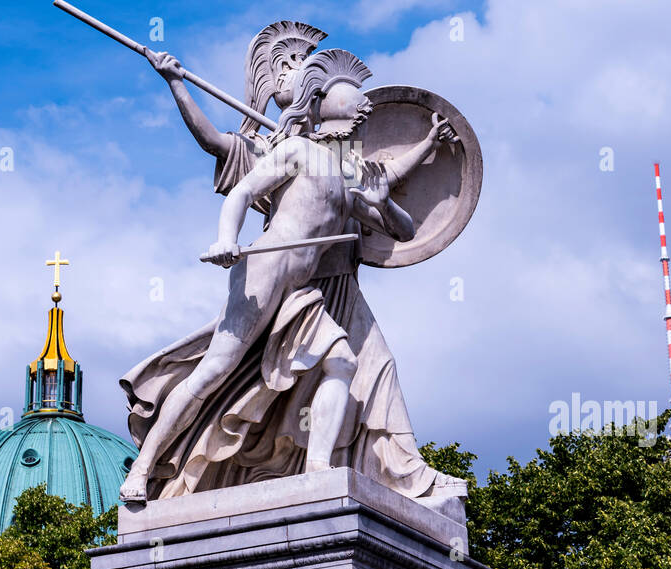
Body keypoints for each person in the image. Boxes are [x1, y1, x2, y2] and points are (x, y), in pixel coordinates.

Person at [126, 28, 464, 502]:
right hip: (266, 270)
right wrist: (226, 239)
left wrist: (415, 162)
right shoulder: (294, 150)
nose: (366, 123)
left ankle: (318, 469)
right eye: (360, 115)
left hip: (305, 287)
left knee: (343, 361)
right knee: (213, 371)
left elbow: (401, 226)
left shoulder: (348, 178)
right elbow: (241, 190)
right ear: (338, 117)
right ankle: (142, 470)